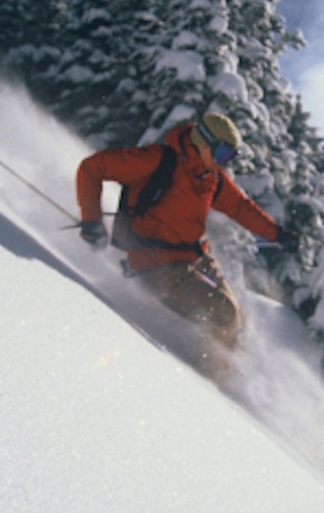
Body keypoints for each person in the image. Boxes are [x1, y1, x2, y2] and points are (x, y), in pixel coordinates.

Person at [74, 113, 298, 365]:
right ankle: (205, 385)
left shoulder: (212, 178)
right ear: (203, 144)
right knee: (224, 315)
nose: (224, 163)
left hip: (194, 256)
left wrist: (277, 233)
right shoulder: (159, 161)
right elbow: (92, 168)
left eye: (229, 158)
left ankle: (222, 373)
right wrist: (91, 219)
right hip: (155, 264)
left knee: (237, 320)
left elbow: (241, 208)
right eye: (222, 155)